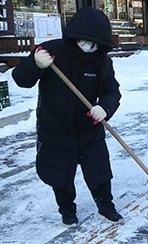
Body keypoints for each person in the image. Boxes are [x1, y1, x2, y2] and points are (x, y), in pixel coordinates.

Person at [12, 7, 123, 226]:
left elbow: (112, 91)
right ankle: (67, 210)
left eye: (94, 43)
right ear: (74, 36)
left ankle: (106, 206)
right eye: (84, 41)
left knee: (99, 170)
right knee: (60, 174)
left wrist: (105, 108)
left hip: (89, 129)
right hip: (55, 129)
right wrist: (36, 65)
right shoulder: (50, 51)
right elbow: (20, 79)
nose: (89, 47)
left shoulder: (102, 61)